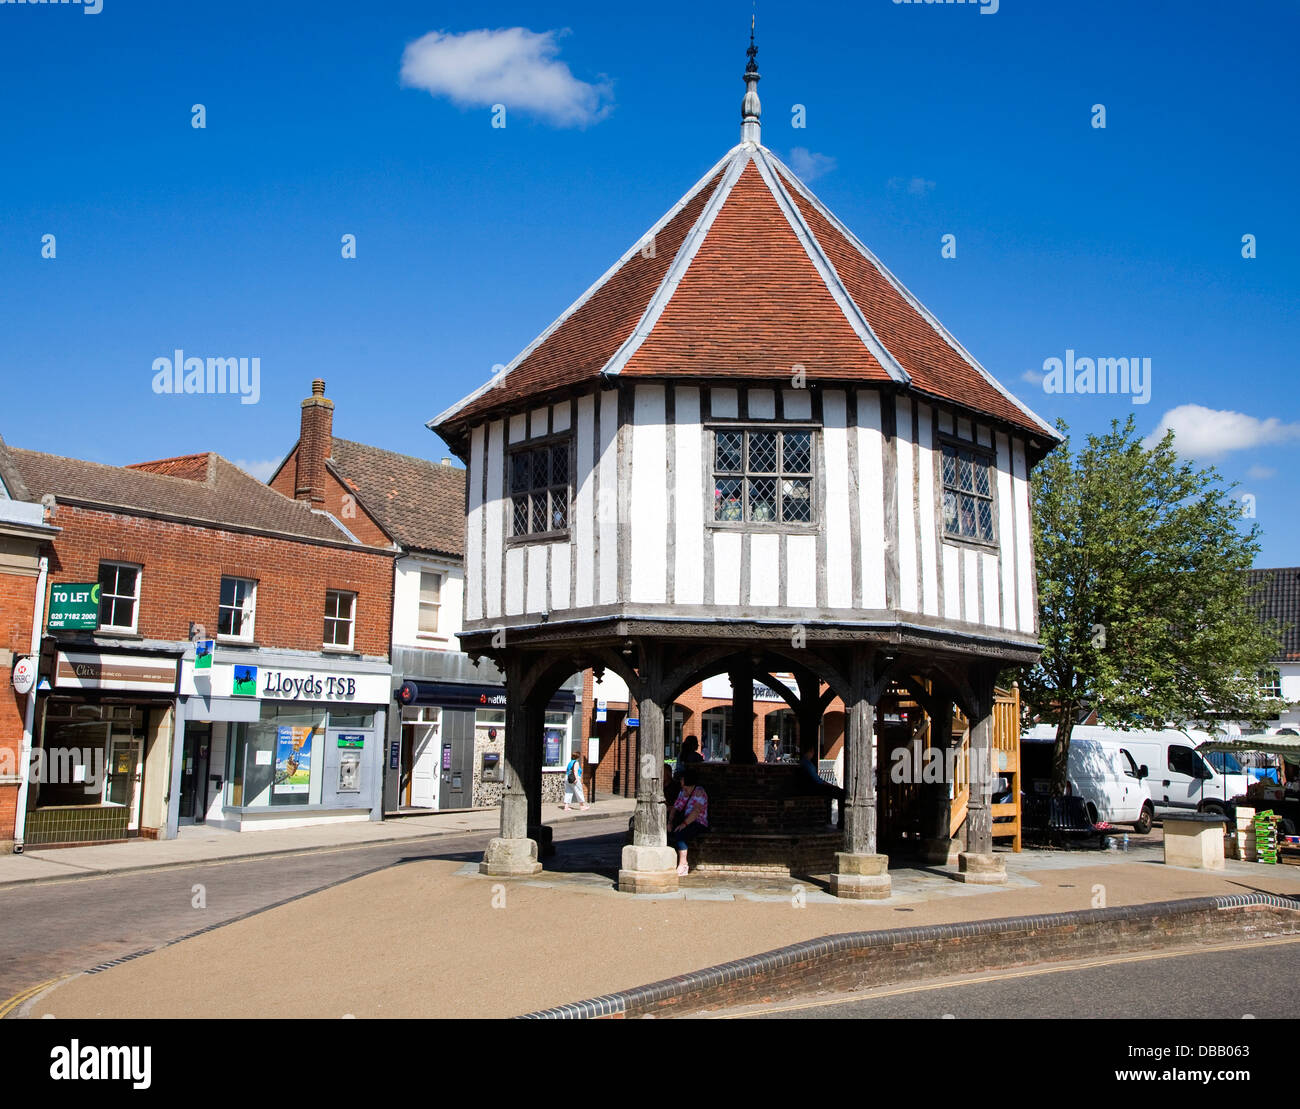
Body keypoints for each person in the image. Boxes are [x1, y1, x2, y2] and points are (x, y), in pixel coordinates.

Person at [668, 766, 709, 876]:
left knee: (680, 834)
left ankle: (683, 864)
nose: (680, 781)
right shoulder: (682, 792)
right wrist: (670, 822)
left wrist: (684, 824)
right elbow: (675, 807)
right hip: (684, 820)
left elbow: (696, 811)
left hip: (697, 822)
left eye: (682, 779)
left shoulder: (699, 792)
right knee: (671, 833)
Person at [796, 742, 845, 829]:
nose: (813, 754)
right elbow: (817, 780)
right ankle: (841, 822)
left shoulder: (804, 762)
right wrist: (829, 785)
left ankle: (830, 820)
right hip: (815, 787)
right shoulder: (807, 764)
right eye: (813, 752)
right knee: (841, 793)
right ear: (810, 751)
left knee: (834, 793)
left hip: (813, 786)